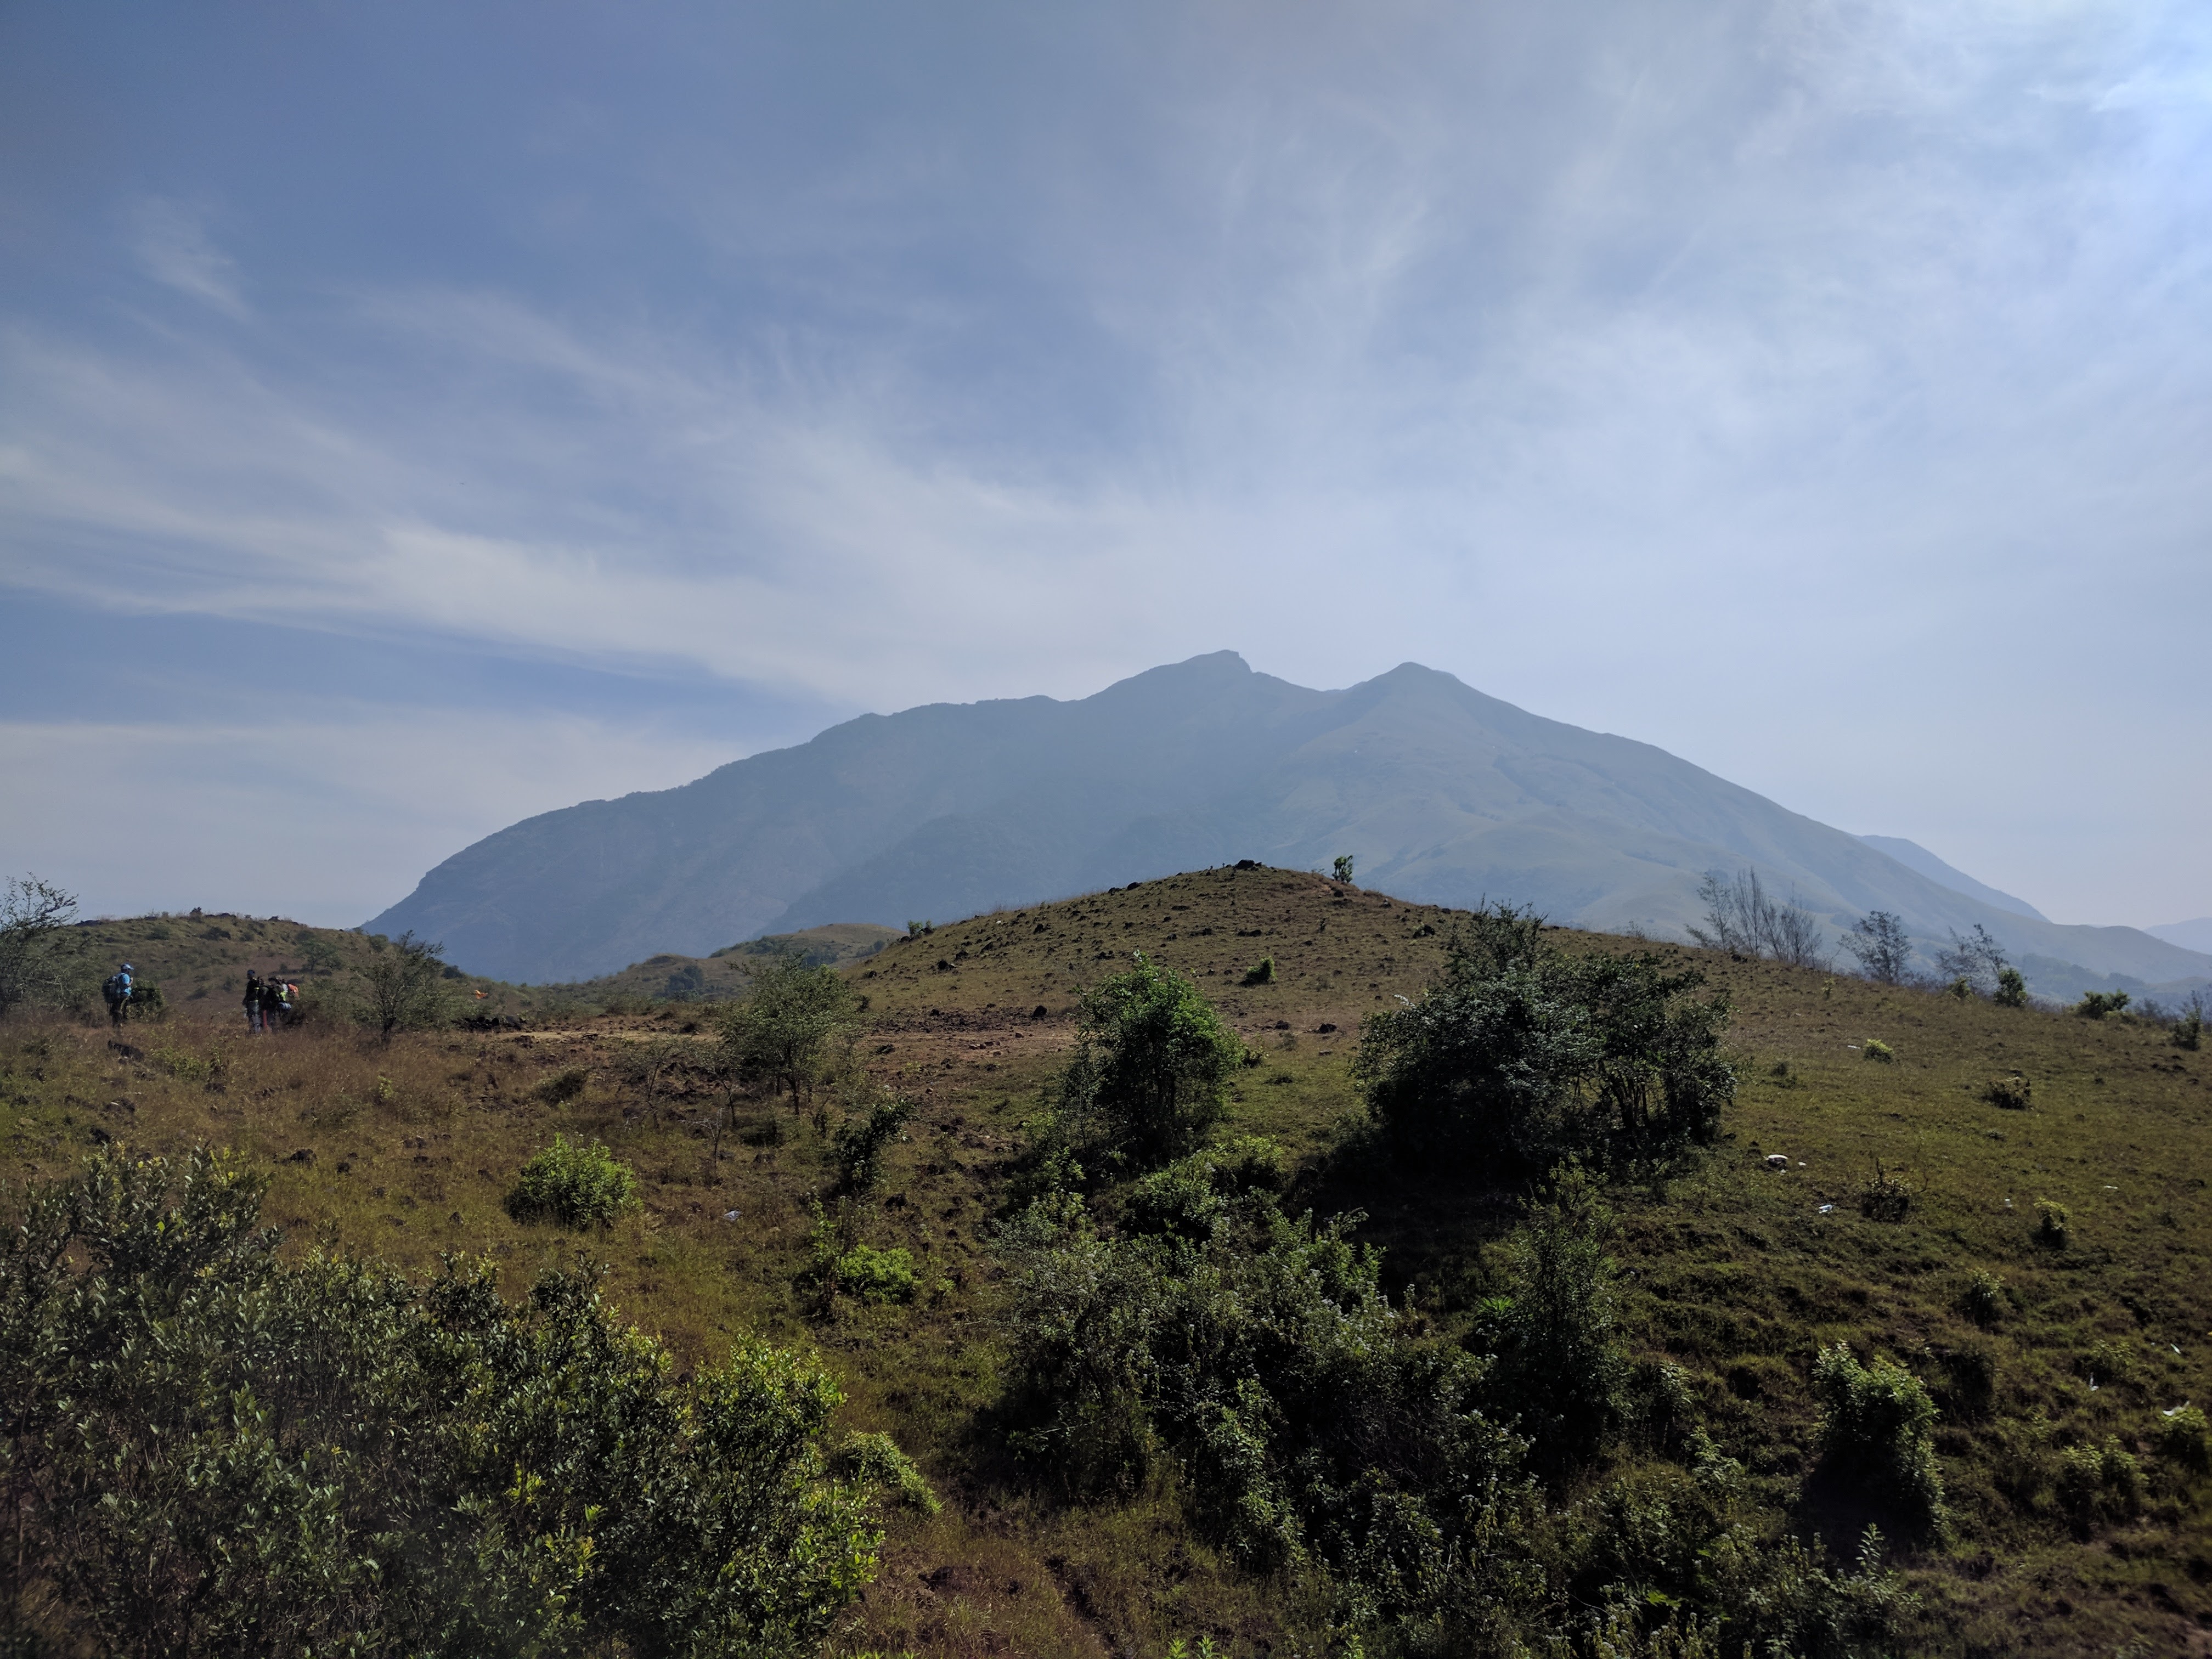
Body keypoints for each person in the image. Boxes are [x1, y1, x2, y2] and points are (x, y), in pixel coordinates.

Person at [103, 963, 133, 1027]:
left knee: (117, 1009)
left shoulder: (118, 976)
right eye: (128, 970)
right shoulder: (126, 976)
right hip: (124, 994)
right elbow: (126, 985)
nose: (129, 971)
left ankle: (116, 1024)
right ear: (126, 970)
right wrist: (131, 982)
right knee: (123, 1010)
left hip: (117, 995)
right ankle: (122, 1023)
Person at [244, 970, 264, 1034]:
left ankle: (257, 1031)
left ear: (253, 975)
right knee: (250, 1017)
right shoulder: (250, 983)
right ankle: (252, 1030)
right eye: (248, 975)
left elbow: (256, 993)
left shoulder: (255, 982)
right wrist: (245, 1000)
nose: (248, 976)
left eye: (249, 975)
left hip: (254, 1001)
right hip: (250, 1002)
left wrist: (248, 998)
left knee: (255, 1016)